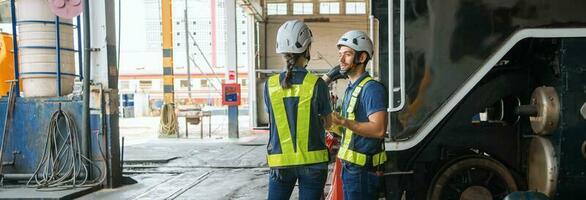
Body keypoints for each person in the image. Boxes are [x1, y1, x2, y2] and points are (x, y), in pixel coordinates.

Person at [264, 20, 333, 200]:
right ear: (307, 48)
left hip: (280, 163)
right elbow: (329, 124)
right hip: (313, 164)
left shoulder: (270, 85)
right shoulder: (317, 83)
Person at [330, 30, 389, 200]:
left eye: (347, 54)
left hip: (363, 172)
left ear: (362, 58)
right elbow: (348, 131)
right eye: (340, 54)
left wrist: (344, 121)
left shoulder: (371, 88)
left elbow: (378, 129)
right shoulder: (350, 88)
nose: (341, 60)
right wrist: (331, 123)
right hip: (350, 168)